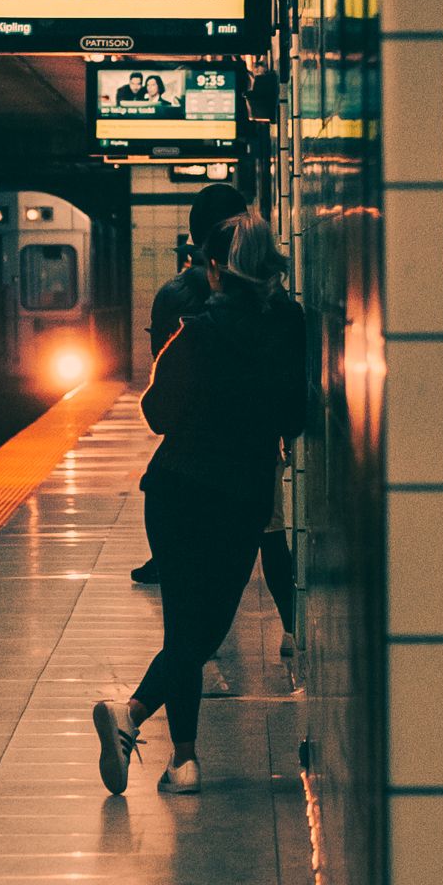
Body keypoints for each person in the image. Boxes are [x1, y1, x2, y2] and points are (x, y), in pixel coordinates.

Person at [94, 207, 308, 796]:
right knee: (206, 627)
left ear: (216, 267)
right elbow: (295, 414)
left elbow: (157, 413)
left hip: (177, 491)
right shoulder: (294, 326)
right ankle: (144, 729)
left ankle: (170, 748)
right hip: (243, 498)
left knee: (184, 624)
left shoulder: (198, 329)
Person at [130, 184, 257, 585]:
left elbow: (161, 378)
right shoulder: (267, 293)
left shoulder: (175, 293)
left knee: (166, 494)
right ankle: (289, 622)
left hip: (190, 440)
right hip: (249, 443)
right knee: (260, 534)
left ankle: (168, 563)